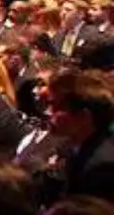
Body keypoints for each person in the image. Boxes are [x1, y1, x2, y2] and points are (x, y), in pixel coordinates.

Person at [45, 69, 114, 200]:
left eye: (56, 107)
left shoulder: (101, 169)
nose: (48, 112)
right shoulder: (71, 146)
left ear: (83, 117)